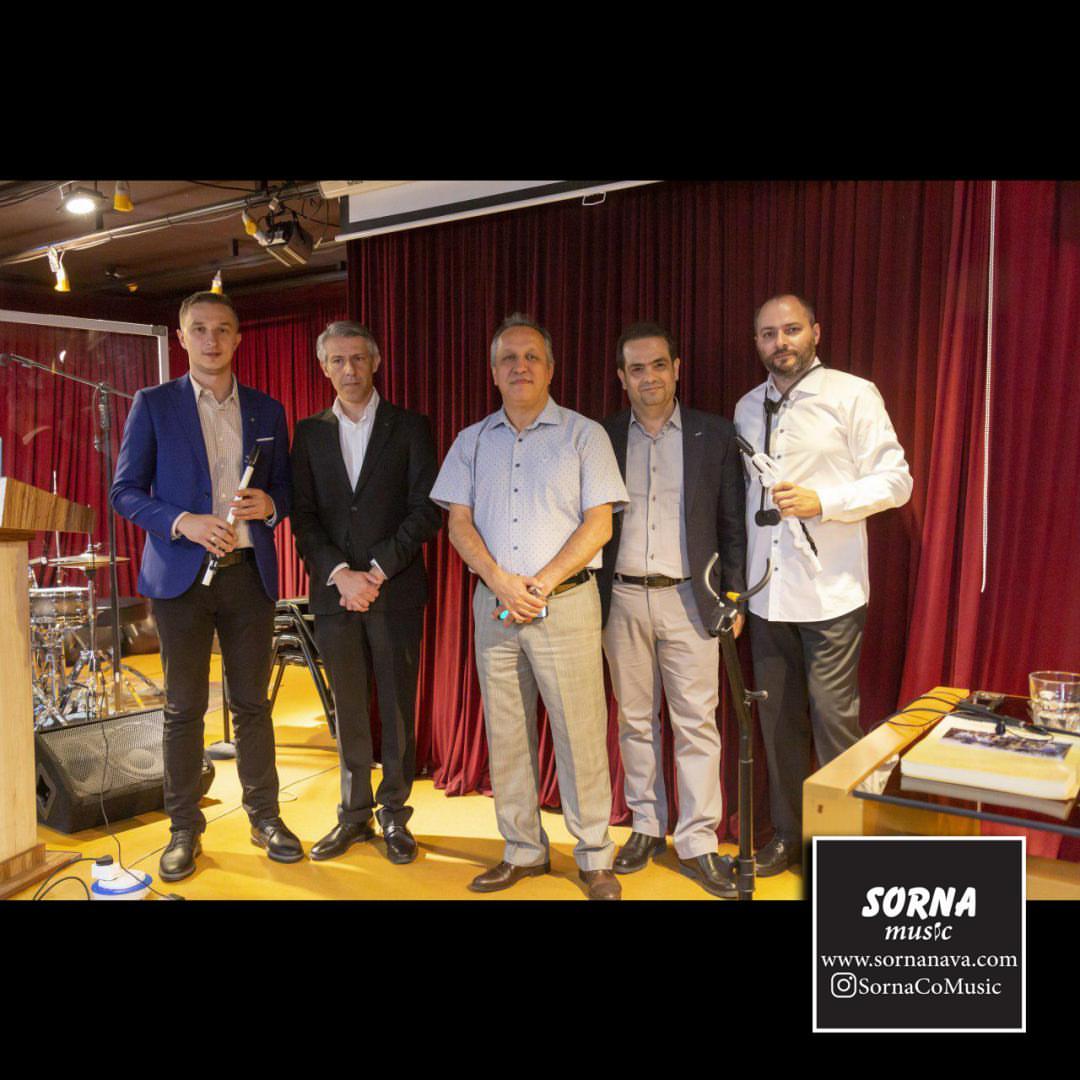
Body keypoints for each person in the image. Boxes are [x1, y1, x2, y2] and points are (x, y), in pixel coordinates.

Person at [430, 313, 629, 900]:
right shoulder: (470, 441)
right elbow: (459, 524)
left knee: (581, 734)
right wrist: (501, 582)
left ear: (550, 369)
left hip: (565, 604)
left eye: (531, 357)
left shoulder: (584, 435)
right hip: (495, 607)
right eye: (508, 359)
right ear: (493, 373)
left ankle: (594, 855)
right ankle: (522, 850)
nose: (520, 367)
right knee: (507, 732)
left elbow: (599, 526)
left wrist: (536, 586)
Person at [111, 290, 297, 882]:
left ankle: (265, 818)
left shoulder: (267, 410)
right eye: (199, 329)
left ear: (238, 338)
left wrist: (271, 504)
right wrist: (182, 521)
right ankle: (184, 828)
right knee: (183, 708)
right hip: (180, 580)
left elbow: (287, 489)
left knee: (252, 705)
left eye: (222, 329)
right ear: (181, 338)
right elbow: (124, 491)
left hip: (248, 576)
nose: (211, 340)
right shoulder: (153, 404)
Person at [733, 294, 913, 876]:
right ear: (757, 342)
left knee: (835, 723)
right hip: (767, 596)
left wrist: (824, 501)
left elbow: (897, 481)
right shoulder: (745, 407)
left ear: (816, 331)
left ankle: (844, 850)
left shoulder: (853, 394)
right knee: (777, 723)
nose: (780, 342)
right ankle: (789, 836)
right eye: (768, 333)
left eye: (791, 329)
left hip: (831, 594)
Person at [597, 322, 746, 898]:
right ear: (622, 378)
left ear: (677, 369)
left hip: (692, 598)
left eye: (659, 365)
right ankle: (645, 825)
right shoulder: (602, 436)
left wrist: (734, 595)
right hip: (621, 598)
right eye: (636, 368)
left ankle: (699, 841)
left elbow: (732, 524)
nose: (649, 377)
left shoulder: (715, 434)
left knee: (696, 723)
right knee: (634, 720)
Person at [291, 321, 441, 865]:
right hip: (335, 595)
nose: (349, 369)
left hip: (394, 591)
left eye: (358, 358)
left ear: (376, 361)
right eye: (337, 360)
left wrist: (376, 571)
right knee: (348, 709)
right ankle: (353, 816)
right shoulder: (309, 433)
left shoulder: (411, 427)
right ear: (324, 367)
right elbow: (303, 516)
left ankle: (395, 814)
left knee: (397, 709)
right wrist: (340, 573)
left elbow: (427, 509)